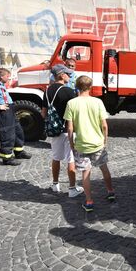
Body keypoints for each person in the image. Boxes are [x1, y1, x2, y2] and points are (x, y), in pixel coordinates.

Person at [64, 75, 115, 211]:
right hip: (97, 143)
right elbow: (104, 125)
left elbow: (70, 127)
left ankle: (89, 201)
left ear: (76, 87)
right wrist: (105, 140)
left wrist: (71, 142)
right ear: (90, 87)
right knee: (104, 168)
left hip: (81, 144)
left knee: (86, 172)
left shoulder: (71, 103)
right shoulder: (97, 102)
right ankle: (110, 192)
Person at [42, 65, 84, 197]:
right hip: (68, 129)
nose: (70, 76)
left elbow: (43, 113)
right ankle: (72, 189)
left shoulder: (47, 91)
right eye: (67, 73)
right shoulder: (69, 91)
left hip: (55, 130)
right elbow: (77, 113)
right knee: (70, 159)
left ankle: (55, 185)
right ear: (61, 75)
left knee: (56, 157)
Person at [0, 68, 32, 165]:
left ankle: (19, 152)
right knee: (7, 134)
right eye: (7, 76)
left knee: (18, 131)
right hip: (4, 112)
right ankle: (7, 158)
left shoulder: (0, 84)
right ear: (1, 76)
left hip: (10, 109)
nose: (9, 78)